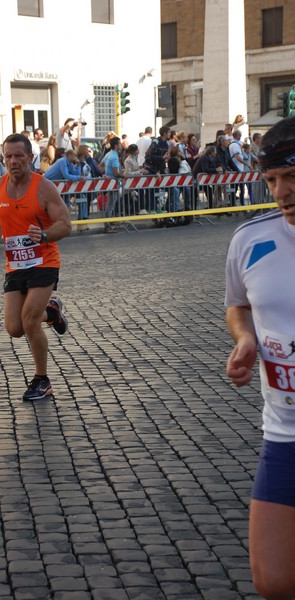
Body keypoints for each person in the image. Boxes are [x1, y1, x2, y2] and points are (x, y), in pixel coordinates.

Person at [225, 115, 295, 600]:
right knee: (273, 581)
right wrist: (244, 338)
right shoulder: (249, 239)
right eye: (271, 180)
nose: (280, 191)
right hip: (285, 433)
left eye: (291, 177)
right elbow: (238, 304)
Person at [0, 133, 71, 402]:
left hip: (44, 261)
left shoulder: (43, 187)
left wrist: (44, 234)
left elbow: (65, 224)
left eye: (18, 156)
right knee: (14, 327)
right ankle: (52, 311)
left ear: (30, 158)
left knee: (30, 320)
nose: (13, 161)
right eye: (8, 156)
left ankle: (42, 380)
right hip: (16, 264)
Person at [100, 136, 124, 232]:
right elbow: (116, 173)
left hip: (110, 182)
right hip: (114, 183)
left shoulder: (108, 154)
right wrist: (124, 175)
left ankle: (108, 223)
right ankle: (107, 226)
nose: (121, 145)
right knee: (110, 205)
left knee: (110, 204)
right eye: (120, 143)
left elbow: (100, 165)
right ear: (116, 145)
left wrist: (104, 174)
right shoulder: (114, 157)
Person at [123, 143, 149, 215]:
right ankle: (133, 210)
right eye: (137, 150)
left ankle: (140, 208)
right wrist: (140, 171)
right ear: (133, 151)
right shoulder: (128, 160)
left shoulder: (135, 158)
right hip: (129, 181)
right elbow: (128, 173)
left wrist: (141, 170)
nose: (138, 151)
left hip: (136, 181)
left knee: (141, 192)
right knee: (128, 197)